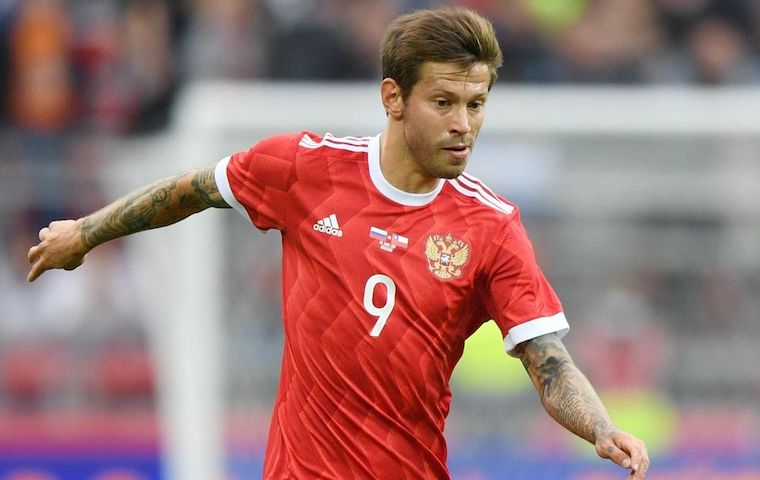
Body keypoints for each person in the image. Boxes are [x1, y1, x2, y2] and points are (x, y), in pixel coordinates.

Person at [27, 8, 650, 479]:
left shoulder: (492, 226)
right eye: (443, 102)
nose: (463, 124)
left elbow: (547, 360)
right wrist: (85, 232)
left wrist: (600, 428)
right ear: (393, 98)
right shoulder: (306, 169)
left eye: (476, 104)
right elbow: (191, 190)